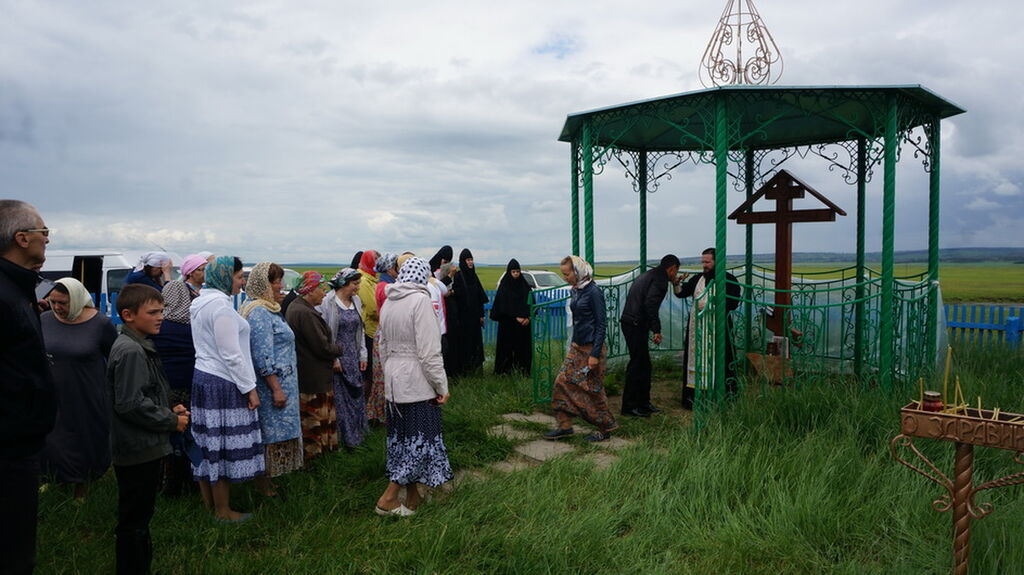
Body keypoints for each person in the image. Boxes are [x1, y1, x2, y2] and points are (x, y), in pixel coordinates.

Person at [107, 284, 190, 575]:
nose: (160, 317)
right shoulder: (131, 350)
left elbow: (146, 392)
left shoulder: (139, 344)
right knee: (135, 521)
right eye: (153, 312)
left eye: (162, 311)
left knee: (140, 516)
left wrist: (169, 407)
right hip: (137, 447)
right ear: (128, 315)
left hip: (141, 443)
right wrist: (171, 421)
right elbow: (131, 404)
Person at [0, 199, 56, 574]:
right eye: (43, 232)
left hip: (20, 443)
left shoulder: (17, 290)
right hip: (8, 448)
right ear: (22, 238)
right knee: (12, 554)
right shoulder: (5, 296)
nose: (47, 239)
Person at [375, 257, 452, 516]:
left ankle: (412, 496)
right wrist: (441, 386)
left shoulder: (390, 301)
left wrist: (390, 373)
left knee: (402, 439)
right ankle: (387, 499)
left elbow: (382, 345)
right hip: (417, 381)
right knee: (419, 441)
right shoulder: (420, 301)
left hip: (394, 380)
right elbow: (429, 353)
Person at [189, 256, 263, 522]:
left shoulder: (199, 302)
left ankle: (210, 505)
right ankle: (223, 511)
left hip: (203, 377)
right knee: (220, 447)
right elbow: (231, 354)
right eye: (239, 277)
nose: (242, 283)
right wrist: (250, 388)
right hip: (223, 382)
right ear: (224, 277)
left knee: (207, 444)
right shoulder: (220, 307)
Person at [40, 278, 118, 499]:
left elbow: (114, 357)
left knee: (83, 437)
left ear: (76, 299)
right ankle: (52, 477)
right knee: (53, 437)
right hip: (53, 392)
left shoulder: (100, 324)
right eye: (53, 302)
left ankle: (81, 486)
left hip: (86, 393)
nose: (57, 307)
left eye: (63, 303)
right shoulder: (45, 320)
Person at [240, 263, 303, 497]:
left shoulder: (267, 308)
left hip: (281, 381)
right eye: (277, 282)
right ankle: (263, 485)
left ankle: (269, 481)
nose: (281, 286)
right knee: (268, 434)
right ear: (264, 285)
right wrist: (276, 389)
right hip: (272, 386)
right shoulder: (259, 312)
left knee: (274, 432)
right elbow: (262, 354)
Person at [544, 256, 618, 442]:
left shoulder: (593, 292)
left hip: (592, 349)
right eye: (563, 274)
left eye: (567, 274)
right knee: (561, 381)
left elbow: (601, 324)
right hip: (577, 347)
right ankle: (565, 426)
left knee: (593, 389)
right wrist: (574, 342)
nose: (565, 278)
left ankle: (605, 428)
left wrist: (595, 354)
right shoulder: (576, 290)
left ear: (577, 272)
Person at [674, 247, 741, 409]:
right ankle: (695, 398)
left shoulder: (729, 279)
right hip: (697, 329)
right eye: (702, 262)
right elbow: (682, 293)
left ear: (717, 261)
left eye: (708, 262)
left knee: (721, 359)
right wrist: (676, 283)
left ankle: (722, 396)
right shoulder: (697, 279)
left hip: (718, 328)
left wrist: (711, 304)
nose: (704, 265)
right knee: (696, 359)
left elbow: (733, 303)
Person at [286, 271, 343, 461]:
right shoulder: (305, 313)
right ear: (310, 290)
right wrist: (340, 349)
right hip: (313, 377)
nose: (325, 293)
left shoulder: (299, 307)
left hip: (310, 374)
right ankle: (317, 462)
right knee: (315, 422)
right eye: (321, 288)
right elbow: (322, 347)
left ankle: (321, 460)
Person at [151, 279, 199, 496]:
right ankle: (191, 479)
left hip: (164, 388)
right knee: (189, 433)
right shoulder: (193, 325)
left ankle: (166, 483)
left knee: (167, 434)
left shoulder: (158, 326)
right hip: (190, 385)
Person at [618, 254, 681, 417]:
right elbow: (650, 305)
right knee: (638, 365)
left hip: (631, 322)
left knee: (644, 365)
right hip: (635, 324)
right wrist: (656, 330)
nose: (675, 275)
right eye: (675, 272)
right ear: (672, 268)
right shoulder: (660, 281)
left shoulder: (650, 275)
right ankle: (629, 407)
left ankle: (643, 403)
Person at [320, 268, 369, 447]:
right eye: (355, 284)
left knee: (356, 395)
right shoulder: (328, 302)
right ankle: (344, 438)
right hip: (338, 356)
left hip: (353, 355)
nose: (358, 287)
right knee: (341, 399)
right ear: (343, 284)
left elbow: (360, 329)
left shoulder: (356, 301)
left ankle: (358, 434)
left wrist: (363, 353)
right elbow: (326, 333)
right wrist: (334, 358)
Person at [490, 258, 532, 376]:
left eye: (518, 271)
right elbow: (502, 307)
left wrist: (528, 318)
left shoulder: (525, 287)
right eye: (513, 272)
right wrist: (515, 317)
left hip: (523, 326)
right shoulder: (504, 287)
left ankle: (523, 371)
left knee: (523, 349)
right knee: (506, 349)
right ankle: (504, 371)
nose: (516, 274)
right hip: (508, 325)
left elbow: (531, 304)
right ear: (509, 272)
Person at [451, 248, 488, 375]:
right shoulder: (458, 276)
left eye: (471, 259)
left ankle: (475, 370)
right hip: (463, 318)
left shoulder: (474, 276)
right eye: (468, 260)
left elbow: (479, 297)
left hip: (475, 318)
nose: (470, 262)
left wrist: (481, 315)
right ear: (463, 261)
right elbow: (455, 296)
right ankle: (464, 371)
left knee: (475, 343)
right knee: (464, 344)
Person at [356, 250, 380, 384]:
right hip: (369, 329)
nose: (377, 262)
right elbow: (373, 309)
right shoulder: (364, 281)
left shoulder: (371, 279)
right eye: (375, 259)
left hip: (373, 328)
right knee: (369, 370)